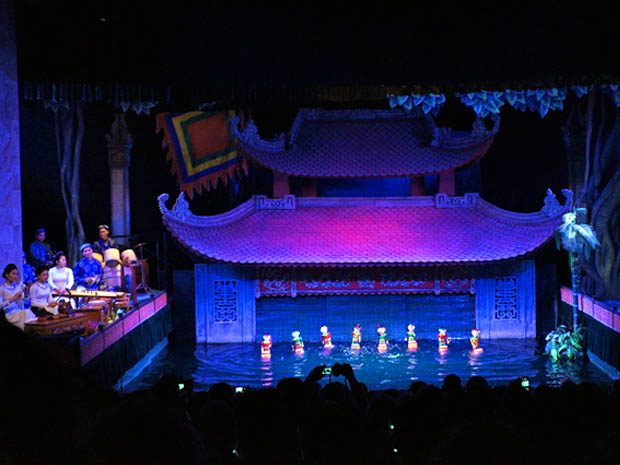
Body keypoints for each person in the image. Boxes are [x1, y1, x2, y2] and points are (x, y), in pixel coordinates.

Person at [0, 264, 36, 330]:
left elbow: (26, 301)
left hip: (18, 311)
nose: (15, 276)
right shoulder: (2, 289)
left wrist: (26, 292)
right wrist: (12, 299)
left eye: (16, 274)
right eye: (13, 274)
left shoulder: (18, 287)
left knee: (27, 312)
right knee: (26, 313)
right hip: (10, 314)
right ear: (7, 274)